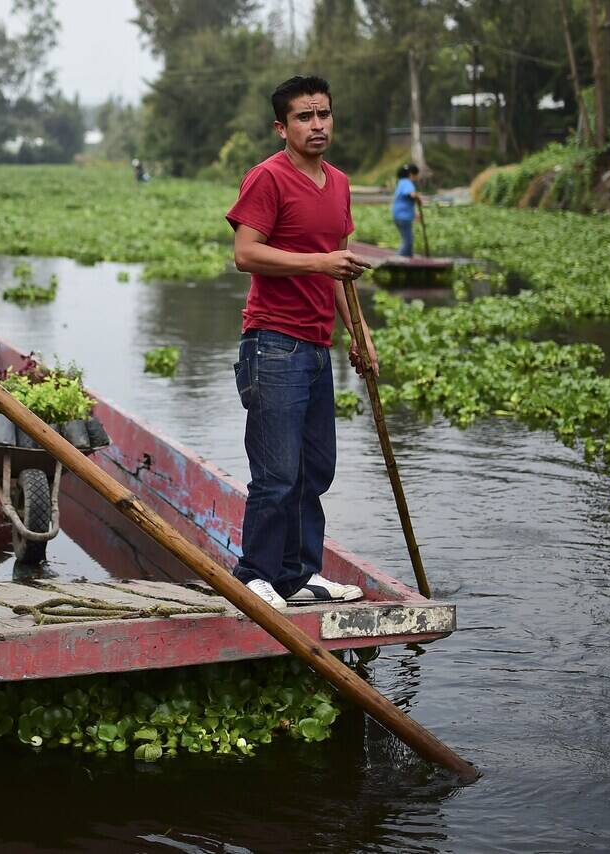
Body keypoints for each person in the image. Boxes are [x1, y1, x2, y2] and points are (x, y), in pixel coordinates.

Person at [225, 75, 380, 611]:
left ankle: (296, 574)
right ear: (282, 127)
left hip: (318, 348)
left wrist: (360, 336)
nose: (317, 125)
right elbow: (246, 253)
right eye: (304, 117)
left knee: (315, 470)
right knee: (277, 472)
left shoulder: (337, 182)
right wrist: (320, 262)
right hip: (272, 344)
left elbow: (340, 268)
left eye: (324, 115)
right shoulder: (267, 178)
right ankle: (255, 575)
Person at [392, 164, 421, 257]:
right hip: (403, 216)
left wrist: (415, 213)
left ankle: (409, 259)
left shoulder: (401, 182)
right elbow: (412, 195)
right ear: (412, 174)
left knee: (408, 240)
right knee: (408, 241)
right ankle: (397, 260)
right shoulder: (407, 182)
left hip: (399, 215)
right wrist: (418, 198)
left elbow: (407, 200)